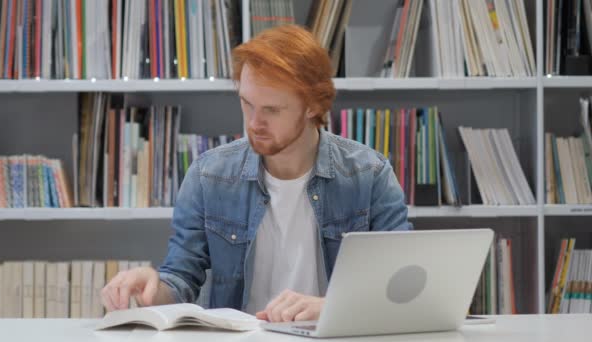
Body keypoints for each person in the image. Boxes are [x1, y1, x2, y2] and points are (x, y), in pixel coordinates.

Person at [101, 24, 411, 323]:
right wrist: (152, 288)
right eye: (247, 104)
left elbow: (401, 286)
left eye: (272, 110)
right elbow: (181, 279)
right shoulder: (208, 176)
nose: (253, 123)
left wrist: (332, 308)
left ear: (312, 106)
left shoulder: (370, 174)